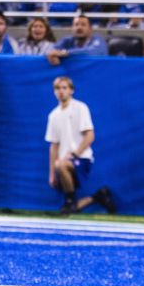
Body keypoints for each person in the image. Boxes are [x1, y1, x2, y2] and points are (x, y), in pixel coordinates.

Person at [45, 76, 115, 215]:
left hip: (82, 158)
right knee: (60, 165)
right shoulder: (53, 115)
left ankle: (70, 201)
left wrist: (75, 154)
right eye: (58, 88)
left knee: (61, 164)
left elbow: (90, 135)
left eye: (64, 88)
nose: (61, 91)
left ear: (71, 90)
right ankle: (96, 197)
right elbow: (54, 146)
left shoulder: (80, 108)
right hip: (64, 162)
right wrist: (52, 173)